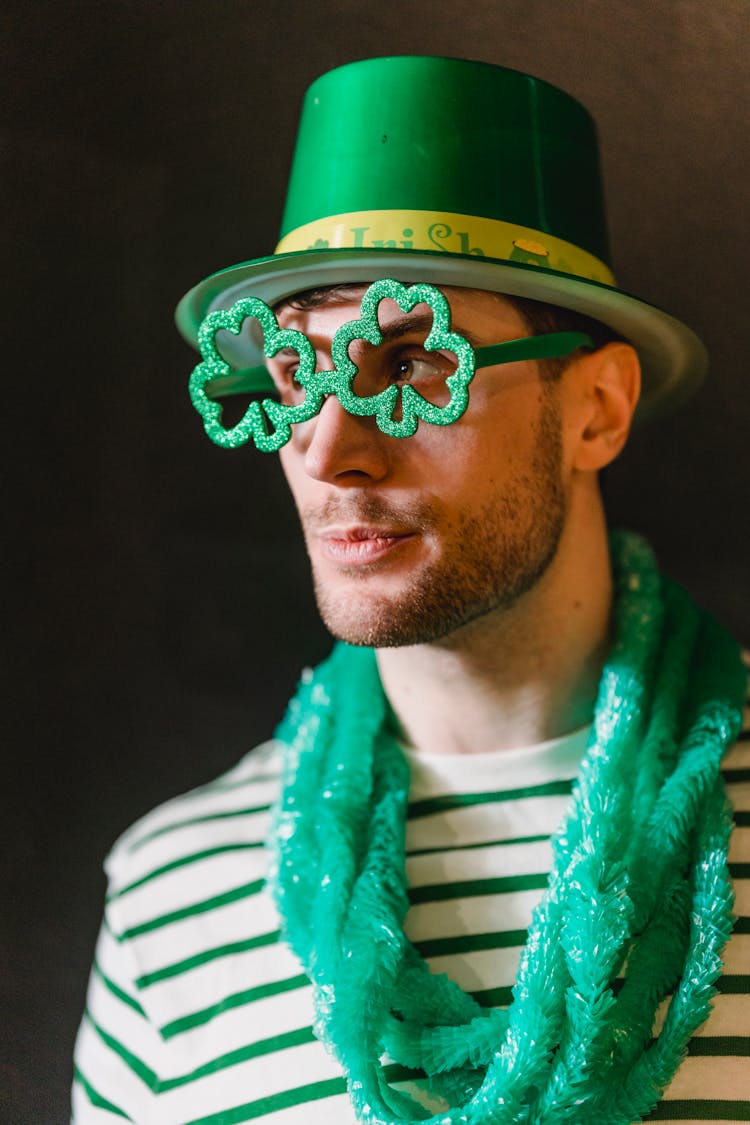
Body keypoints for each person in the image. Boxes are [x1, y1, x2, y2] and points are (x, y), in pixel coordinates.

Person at [72, 57, 749, 1125]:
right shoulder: (174, 903)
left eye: (407, 368)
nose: (331, 452)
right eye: (297, 376)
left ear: (598, 409)